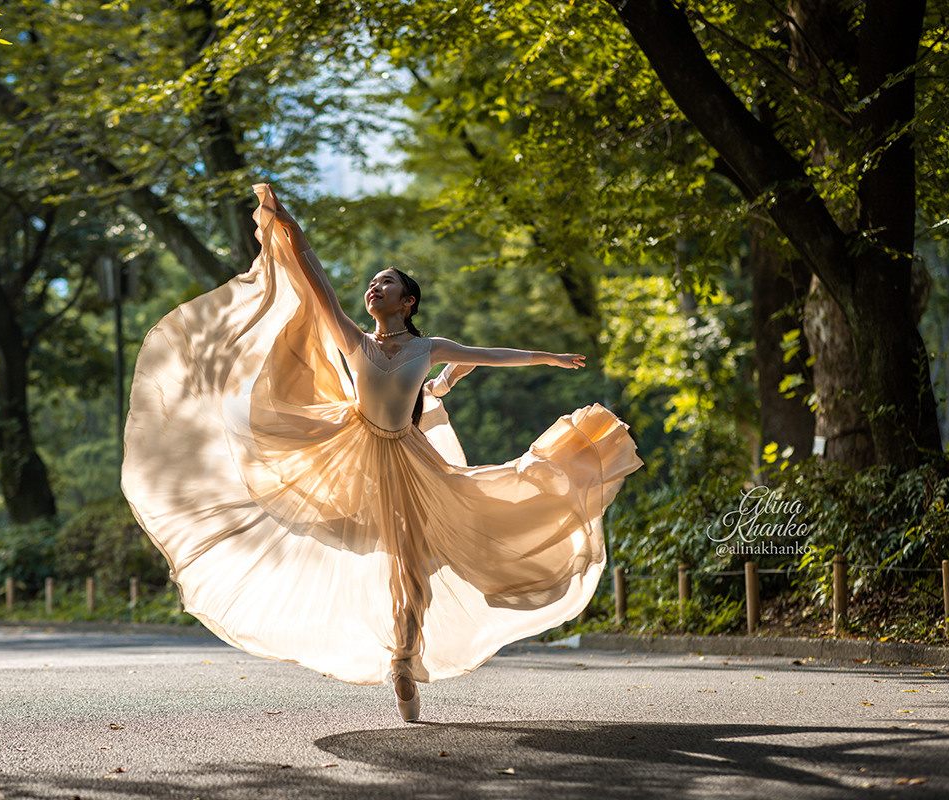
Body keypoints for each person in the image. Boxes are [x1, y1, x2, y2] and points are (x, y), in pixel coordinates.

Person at [122, 184, 642, 723]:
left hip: (412, 463)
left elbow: (488, 356)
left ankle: (403, 658)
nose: (375, 286)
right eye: (372, 283)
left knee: (413, 565)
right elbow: (315, 279)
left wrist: (547, 357)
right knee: (380, 555)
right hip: (353, 455)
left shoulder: (426, 346)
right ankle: (392, 650)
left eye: (386, 282)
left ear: (407, 301)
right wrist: (287, 226)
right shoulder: (354, 340)